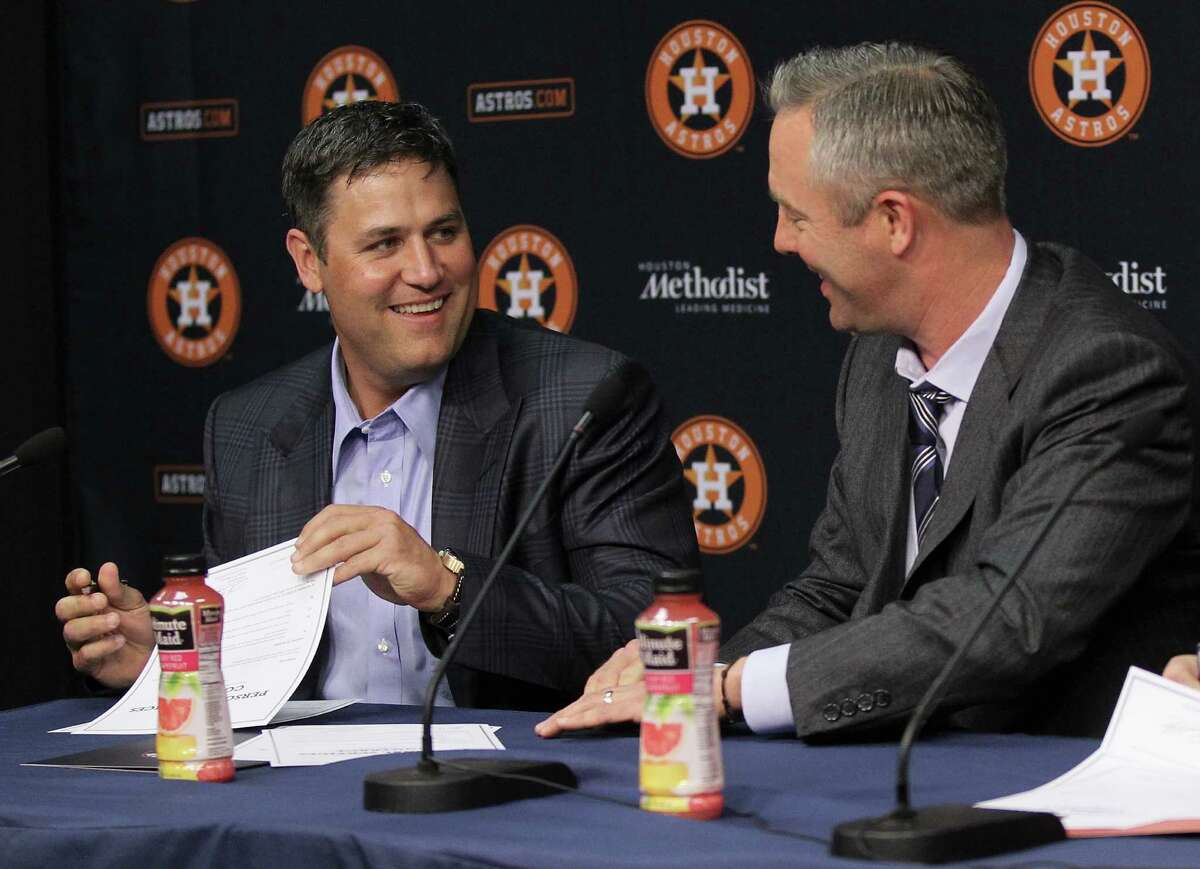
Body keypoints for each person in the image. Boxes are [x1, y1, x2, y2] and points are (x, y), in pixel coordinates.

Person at [538, 42, 1200, 740]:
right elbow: (838, 588)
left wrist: (727, 688)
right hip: (898, 785)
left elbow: (1005, 618)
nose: (778, 242)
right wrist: (682, 682)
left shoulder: (1108, 371)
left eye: (796, 215)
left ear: (894, 220)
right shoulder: (876, 355)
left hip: (1060, 802)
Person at [55, 100, 698, 711]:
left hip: (514, 799)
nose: (425, 270)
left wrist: (446, 587)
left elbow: (654, 642)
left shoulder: (584, 398)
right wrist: (170, 661)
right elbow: (256, 670)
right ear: (310, 262)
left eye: (443, 232)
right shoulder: (246, 427)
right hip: (300, 804)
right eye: (384, 243)